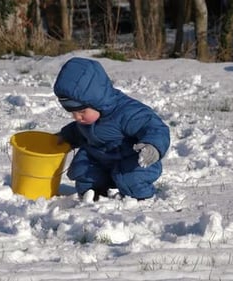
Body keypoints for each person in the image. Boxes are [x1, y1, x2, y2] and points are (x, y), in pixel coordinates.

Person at [54, 57, 170, 201]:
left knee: (130, 179)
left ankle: (141, 197)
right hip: (101, 159)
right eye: (73, 113)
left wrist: (152, 146)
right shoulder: (87, 119)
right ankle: (93, 193)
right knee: (83, 168)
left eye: (82, 112)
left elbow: (154, 127)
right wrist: (65, 136)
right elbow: (80, 131)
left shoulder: (127, 112)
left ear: (96, 101)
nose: (77, 117)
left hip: (133, 160)